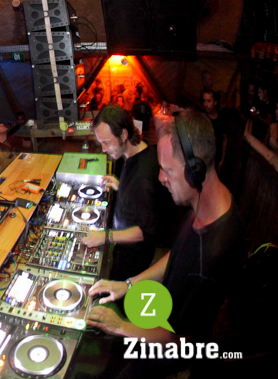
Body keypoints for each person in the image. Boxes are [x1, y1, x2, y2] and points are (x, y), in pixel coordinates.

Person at [88, 111, 244, 378]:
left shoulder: (213, 254)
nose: (160, 178)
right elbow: (176, 256)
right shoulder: (206, 203)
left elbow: (181, 341)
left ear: (194, 171)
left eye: (168, 170)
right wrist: (128, 284)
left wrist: (120, 326)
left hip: (170, 346)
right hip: (164, 314)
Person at [82, 105, 170, 282]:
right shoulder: (139, 153)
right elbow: (139, 199)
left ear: (123, 135)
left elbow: (145, 232)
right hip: (124, 247)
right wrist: (121, 186)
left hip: (132, 258)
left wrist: (105, 236)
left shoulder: (143, 178)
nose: (103, 149)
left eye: (106, 142)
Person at [201, 89, 228, 172]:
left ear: (215, 102)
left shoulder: (221, 119)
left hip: (216, 160)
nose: (206, 104)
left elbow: (224, 139)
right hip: (204, 159)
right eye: (204, 101)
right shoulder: (202, 118)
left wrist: (222, 159)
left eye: (209, 101)